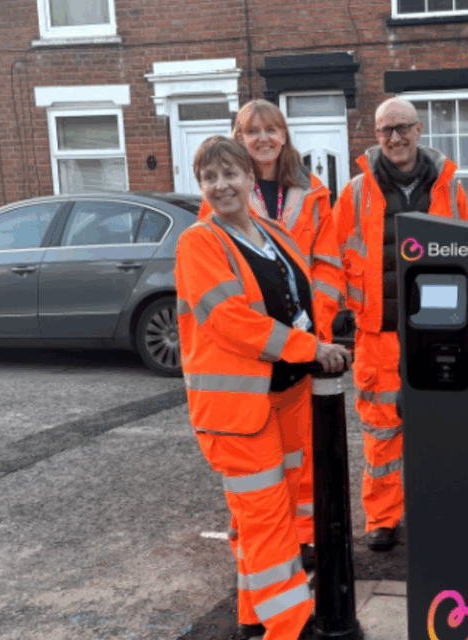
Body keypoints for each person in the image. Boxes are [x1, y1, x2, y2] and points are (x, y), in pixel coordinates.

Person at [176, 136, 353, 640]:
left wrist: (320, 339)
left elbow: (303, 296)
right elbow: (231, 320)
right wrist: (309, 348)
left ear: (251, 178)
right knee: (267, 520)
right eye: (210, 178)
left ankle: (255, 619)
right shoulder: (199, 242)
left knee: (263, 518)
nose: (221, 185)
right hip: (238, 410)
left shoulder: (273, 232)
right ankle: (292, 628)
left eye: (230, 174)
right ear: (202, 187)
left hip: (285, 396)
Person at [197, 99, 345, 566]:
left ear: (284, 135)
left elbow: (328, 263)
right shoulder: (223, 194)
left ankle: (300, 541)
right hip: (255, 354)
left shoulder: (313, 191)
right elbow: (221, 291)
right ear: (239, 141)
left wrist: (311, 317)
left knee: (299, 458)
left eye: (271, 129)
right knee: (257, 473)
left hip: (303, 344)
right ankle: (259, 553)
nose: (263, 138)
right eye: (251, 131)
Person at [334, 97, 468, 551]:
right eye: (385, 129)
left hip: (438, 331)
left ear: (420, 128)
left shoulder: (451, 187)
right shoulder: (354, 192)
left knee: (439, 428)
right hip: (379, 335)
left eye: (403, 127)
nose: (395, 137)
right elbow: (334, 262)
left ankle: (436, 508)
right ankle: (383, 518)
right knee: (382, 432)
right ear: (376, 136)